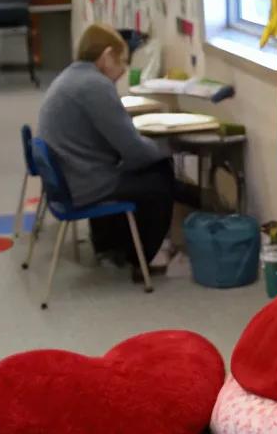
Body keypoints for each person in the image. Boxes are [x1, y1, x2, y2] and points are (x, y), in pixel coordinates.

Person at [35, 22, 174, 272]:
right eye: (121, 61)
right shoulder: (95, 85)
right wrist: (166, 148)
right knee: (160, 176)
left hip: (66, 181)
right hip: (83, 184)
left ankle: (110, 244)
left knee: (134, 170)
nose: (122, 71)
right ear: (107, 56)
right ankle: (146, 257)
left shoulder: (71, 76)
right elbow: (133, 149)